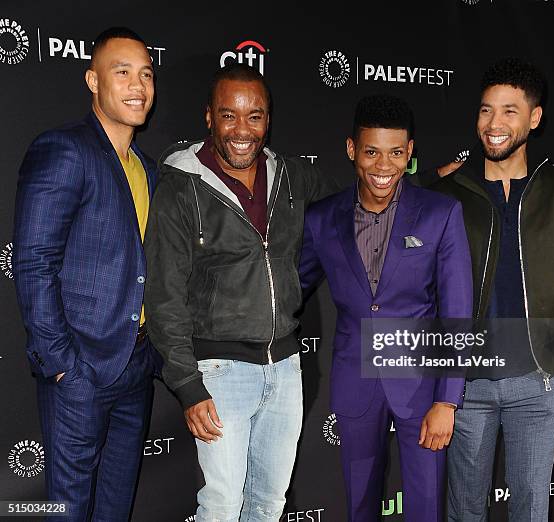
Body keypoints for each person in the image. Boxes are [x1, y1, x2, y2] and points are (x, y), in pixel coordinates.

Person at [144, 63, 335, 522]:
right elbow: (164, 295)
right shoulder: (181, 186)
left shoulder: (289, 176)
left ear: (268, 120)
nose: (242, 130)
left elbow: (352, 207)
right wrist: (189, 386)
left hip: (285, 368)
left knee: (269, 505)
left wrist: (422, 184)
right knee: (222, 506)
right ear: (209, 116)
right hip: (219, 373)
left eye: (255, 116)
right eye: (229, 115)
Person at [429, 58, 554, 521]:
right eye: (486, 111)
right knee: (465, 510)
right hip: (466, 384)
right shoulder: (448, 195)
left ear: (534, 118)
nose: (494, 124)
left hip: (539, 380)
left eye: (509, 110)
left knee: (530, 508)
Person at [299, 94, 473, 521]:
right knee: (360, 504)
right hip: (356, 381)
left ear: (410, 152)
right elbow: (288, 292)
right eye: (372, 151)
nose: (383, 166)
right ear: (351, 149)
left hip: (422, 388)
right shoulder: (322, 219)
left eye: (396, 152)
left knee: (426, 505)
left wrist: (447, 400)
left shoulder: (440, 214)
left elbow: (457, 311)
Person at [13, 27, 158, 521]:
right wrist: (62, 365)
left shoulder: (146, 168)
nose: (138, 84)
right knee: (67, 512)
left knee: (114, 510)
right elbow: (33, 262)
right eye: (122, 72)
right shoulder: (64, 149)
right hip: (80, 373)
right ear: (93, 80)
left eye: (146, 74)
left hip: (135, 368)